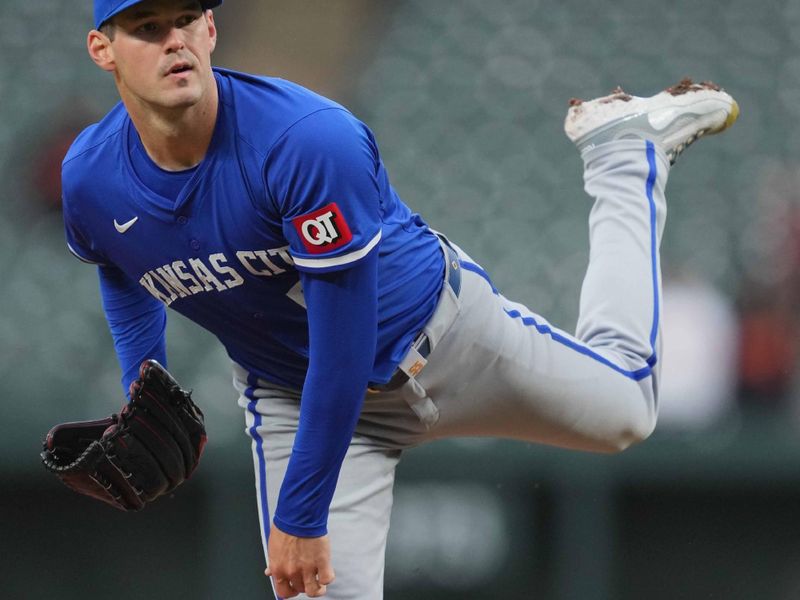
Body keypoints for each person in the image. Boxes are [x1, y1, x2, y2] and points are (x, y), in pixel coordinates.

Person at [62, 0, 739, 598]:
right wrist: (141, 381)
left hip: (446, 340)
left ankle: (622, 157)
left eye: (185, 19)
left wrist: (300, 514)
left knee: (627, 414)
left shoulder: (304, 140)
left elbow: (346, 342)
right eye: (146, 27)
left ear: (211, 29)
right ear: (103, 48)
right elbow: (120, 264)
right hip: (298, 398)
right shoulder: (90, 179)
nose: (173, 39)